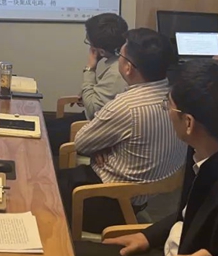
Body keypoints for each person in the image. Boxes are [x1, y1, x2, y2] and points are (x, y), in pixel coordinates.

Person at [74, 59, 218, 256]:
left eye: (168, 105)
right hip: (170, 245)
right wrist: (148, 236)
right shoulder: (212, 147)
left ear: (188, 123)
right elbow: (192, 213)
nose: (167, 111)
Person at [57, 29, 186, 234]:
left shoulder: (127, 106)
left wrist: (101, 147)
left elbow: (81, 142)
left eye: (121, 55)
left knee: (42, 185)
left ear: (128, 67)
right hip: (146, 198)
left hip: (108, 200)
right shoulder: (178, 98)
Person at [46, 13, 128, 155]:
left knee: (44, 136)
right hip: (94, 121)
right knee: (43, 125)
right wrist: (87, 93)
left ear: (100, 50)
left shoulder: (117, 73)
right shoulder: (119, 62)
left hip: (95, 128)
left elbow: (92, 111)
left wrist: (90, 68)